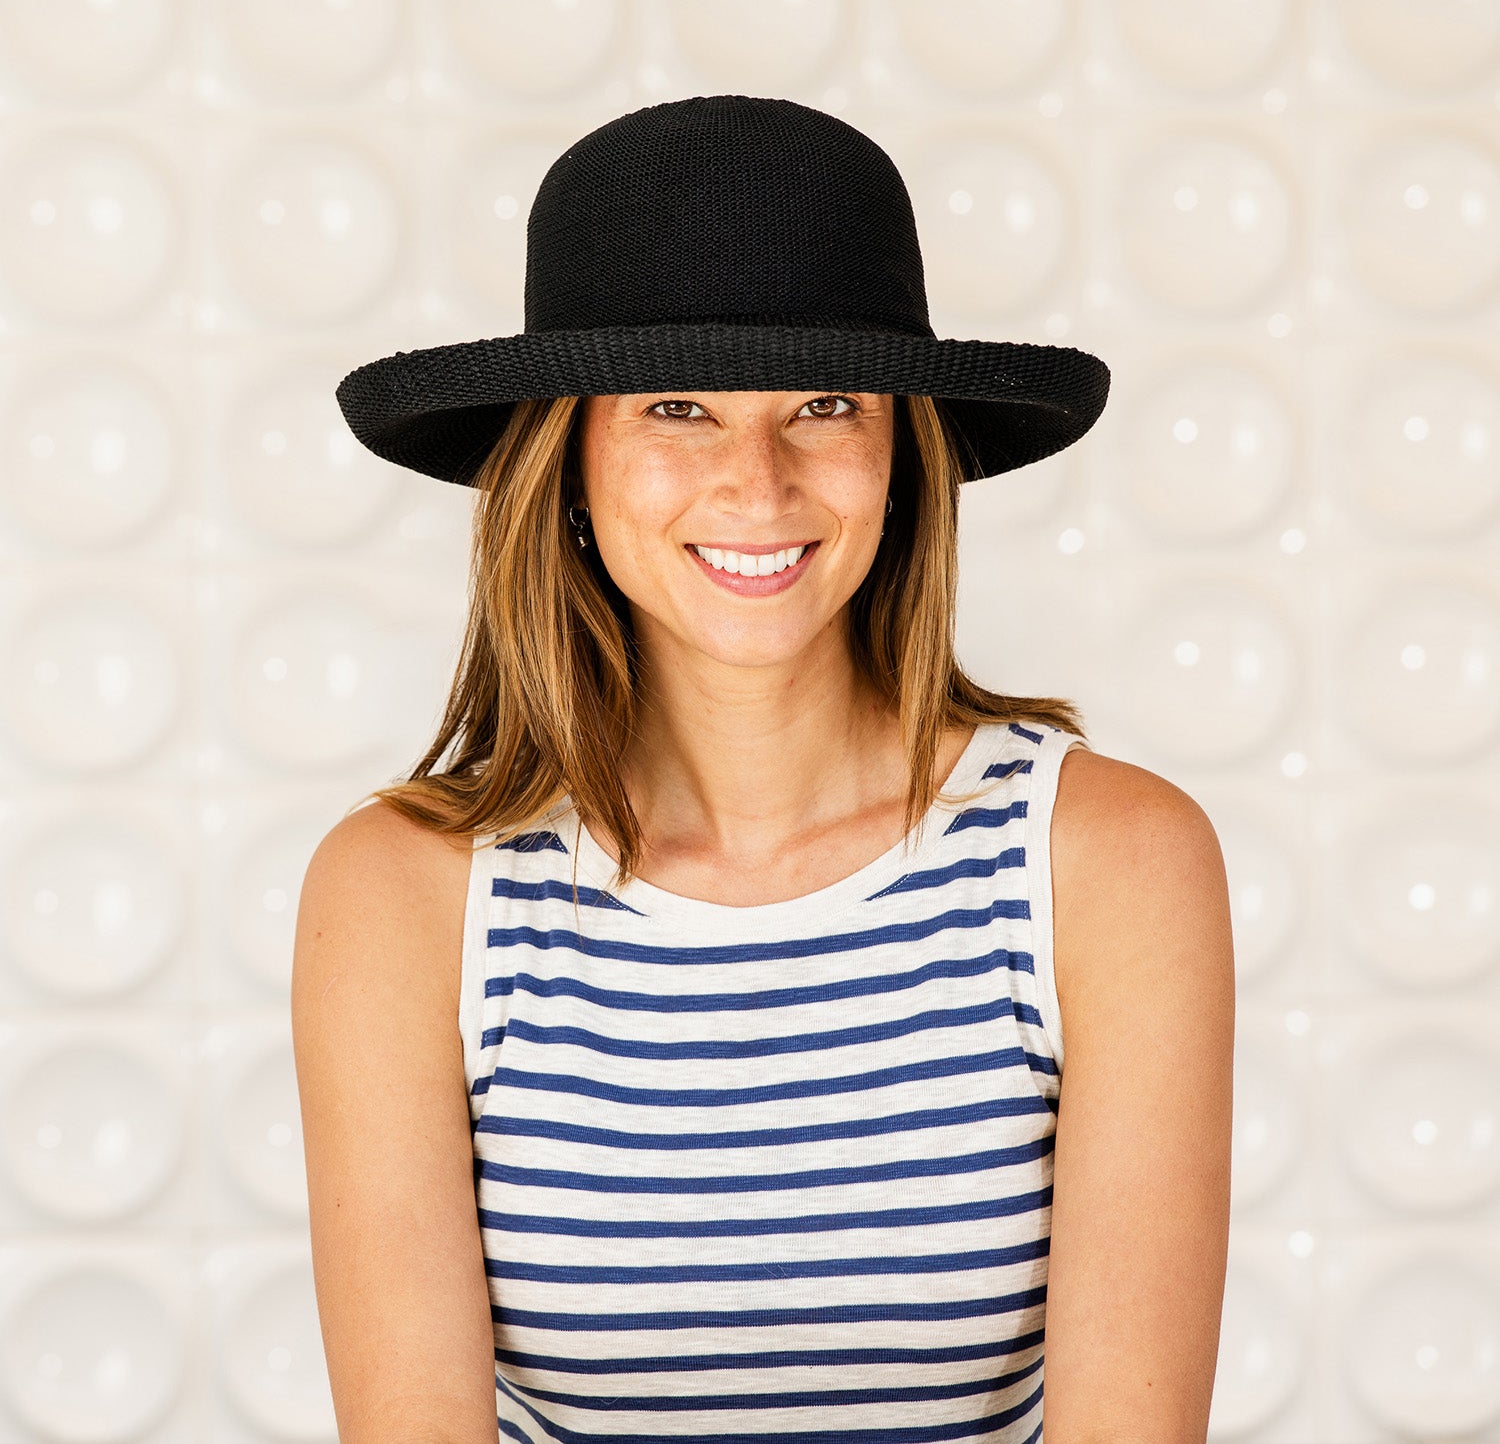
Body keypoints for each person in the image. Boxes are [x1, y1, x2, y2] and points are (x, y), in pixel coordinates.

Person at [292, 94, 1234, 1444]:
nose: (759, 482)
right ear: (570, 460)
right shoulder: (403, 896)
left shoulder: (1108, 864)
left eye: (824, 406)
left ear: (901, 453)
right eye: (679, 407)